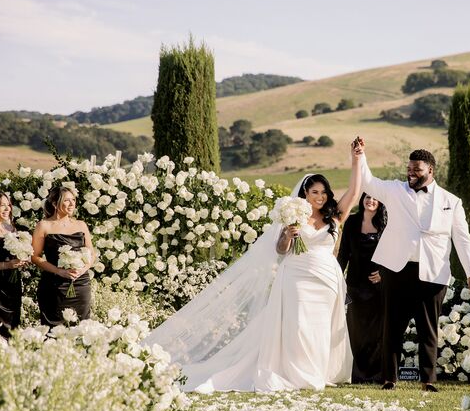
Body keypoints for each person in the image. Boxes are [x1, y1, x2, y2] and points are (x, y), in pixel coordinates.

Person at [144, 139, 363, 392]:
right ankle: (299, 373)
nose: (320, 197)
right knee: (299, 325)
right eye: (315, 192)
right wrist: (288, 236)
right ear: (305, 194)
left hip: (327, 279)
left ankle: (318, 371)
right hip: (297, 275)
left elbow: (355, 192)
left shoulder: (334, 216)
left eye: (323, 193)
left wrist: (357, 159)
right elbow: (280, 251)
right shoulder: (294, 215)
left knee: (320, 325)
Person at [358, 144, 470, 392]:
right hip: (397, 269)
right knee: (392, 326)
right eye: (409, 168)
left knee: (428, 328)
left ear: (430, 170)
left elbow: (462, 238)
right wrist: (360, 156)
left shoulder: (451, 201)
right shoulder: (395, 191)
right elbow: (368, 182)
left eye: (417, 169)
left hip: (434, 272)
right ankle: (389, 378)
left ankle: (428, 380)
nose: (411, 173)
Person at [337, 193, 387, 383]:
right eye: (367, 197)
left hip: (379, 286)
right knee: (355, 330)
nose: (371, 200)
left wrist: (384, 273)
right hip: (355, 285)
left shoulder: (386, 224)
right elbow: (343, 253)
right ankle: (356, 374)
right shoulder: (351, 222)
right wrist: (336, 276)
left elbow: (395, 254)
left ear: (380, 201)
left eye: (375, 198)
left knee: (377, 331)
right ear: (362, 199)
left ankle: (376, 374)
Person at [31, 186, 95, 326]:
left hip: (80, 284)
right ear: (55, 203)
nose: (72, 204)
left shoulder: (81, 225)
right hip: (54, 286)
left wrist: (82, 270)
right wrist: (59, 271)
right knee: (54, 329)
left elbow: (92, 254)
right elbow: (35, 257)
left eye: (73, 200)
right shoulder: (44, 226)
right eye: (67, 200)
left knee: (81, 327)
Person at [0, 191, 27, 337]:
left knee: (12, 327)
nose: (8, 208)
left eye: (8, 204)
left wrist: (23, 258)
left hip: (12, 286)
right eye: (2, 205)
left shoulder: (11, 229)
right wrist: (6, 265)